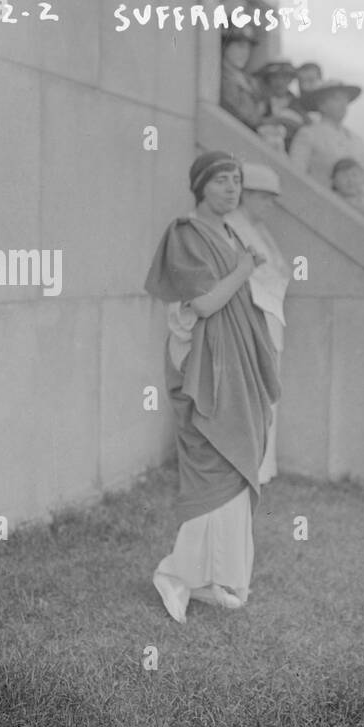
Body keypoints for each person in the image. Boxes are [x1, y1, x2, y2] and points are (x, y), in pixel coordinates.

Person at [143, 152, 280, 622]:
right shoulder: (186, 232)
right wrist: (244, 268)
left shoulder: (230, 234)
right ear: (201, 185)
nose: (231, 188)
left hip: (234, 365)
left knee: (236, 466)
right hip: (204, 369)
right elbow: (202, 306)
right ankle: (178, 574)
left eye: (237, 181)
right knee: (212, 464)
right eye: (221, 180)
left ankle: (213, 579)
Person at [226, 163, 292, 486]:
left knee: (266, 393)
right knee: (247, 394)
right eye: (264, 197)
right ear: (247, 195)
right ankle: (244, 467)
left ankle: (262, 467)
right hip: (248, 320)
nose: (269, 205)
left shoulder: (259, 229)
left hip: (269, 319)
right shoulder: (231, 226)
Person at [288, 79, 364, 187]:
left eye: (345, 99)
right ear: (321, 104)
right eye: (336, 99)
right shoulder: (308, 134)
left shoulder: (357, 140)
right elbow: (296, 172)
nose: (343, 104)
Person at [218, 27, 264, 130]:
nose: (245, 53)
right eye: (240, 46)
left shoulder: (251, 81)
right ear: (225, 46)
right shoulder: (218, 77)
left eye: (249, 48)